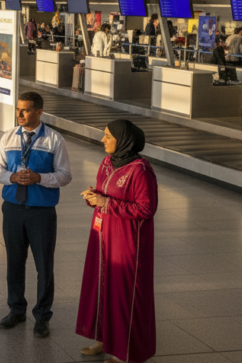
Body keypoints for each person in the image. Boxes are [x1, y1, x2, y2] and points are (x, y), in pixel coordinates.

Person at [75, 120, 157, 363]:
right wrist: (95, 197)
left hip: (127, 240)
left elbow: (147, 208)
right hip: (103, 236)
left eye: (108, 136)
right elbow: (106, 195)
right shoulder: (107, 162)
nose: (103, 140)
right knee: (102, 286)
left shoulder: (140, 170)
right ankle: (104, 339)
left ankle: (127, 352)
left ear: (123, 140)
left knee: (124, 293)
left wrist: (107, 203)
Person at [0, 91, 72, 338]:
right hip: (13, 209)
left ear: (39, 112)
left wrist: (39, 178)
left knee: (44, 266)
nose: (19, 114)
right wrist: (12, 177)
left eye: (25, 110)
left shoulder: (54, 140)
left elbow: (65, 175)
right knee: (14, 263)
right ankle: (16, 310)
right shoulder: (8, 137)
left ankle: (42, 316)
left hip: (41, 212)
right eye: (18, 109)